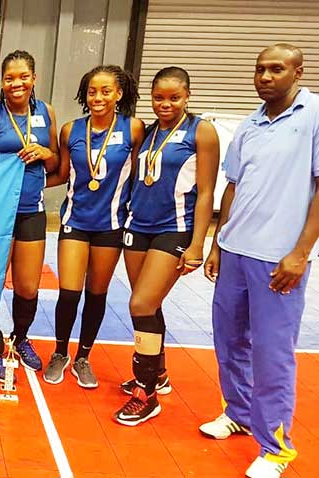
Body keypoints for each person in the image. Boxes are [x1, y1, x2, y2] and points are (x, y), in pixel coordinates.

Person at [199, 44, 319, 478]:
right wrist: (218, 243)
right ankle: (239, 413)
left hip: (278, 259)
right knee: (229, 342)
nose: (265, 77)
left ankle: (276, 449)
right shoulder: (250, 123)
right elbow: (233, 186)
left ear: (298, 72)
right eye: (260, 70)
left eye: (276, 69)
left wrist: (300, 252)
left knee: (272, 354)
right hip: (235, 251)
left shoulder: (314, 116)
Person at [111, 67, 218, 425]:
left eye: (174, 97)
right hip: (138, 227)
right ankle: (157, 373)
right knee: (148, 304)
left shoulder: (201, 131)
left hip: (174, 229)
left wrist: (198, 244)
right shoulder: (148, 131)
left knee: (140, 303)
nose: (165, 104)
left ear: (187, 95)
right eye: (159, 97)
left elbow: (206, 192)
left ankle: (146, 395)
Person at [42, 65, 144, 389]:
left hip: (111, 225)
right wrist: (20, 183)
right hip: (75, 221)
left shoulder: (134, 129)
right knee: (69, 293)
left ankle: (83, 357)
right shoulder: (70, 130)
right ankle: (60, 353)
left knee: (96, 295)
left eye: (105, 91)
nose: (97, 97)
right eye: (91, 91)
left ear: (119, 94)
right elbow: (61, 174)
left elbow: (140, 175)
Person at [0, 50, 60, 383]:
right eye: (9, 78)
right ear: (2, 81)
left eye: (23, 76)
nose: (16, 83)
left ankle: (20, 338)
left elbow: (56, 163)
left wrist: (46, 152)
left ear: (34, 78)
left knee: (27, 285)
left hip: (32, 210)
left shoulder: (46, 112)